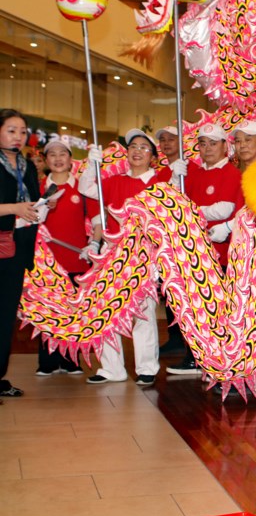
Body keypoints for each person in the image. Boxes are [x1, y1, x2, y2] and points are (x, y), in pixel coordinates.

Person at [79, 129, 165, 387]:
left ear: (152, 156)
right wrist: (92, 165)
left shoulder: (159, 184)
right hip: (112, 254)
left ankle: (147, 367)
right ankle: (112, 368)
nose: (137, 151)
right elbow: (86, 188)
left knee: (143, 313)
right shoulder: (114, 181)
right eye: (133, 147)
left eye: (144, 147)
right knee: (106, 311)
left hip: (144, 255)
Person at [166, 122, 243, 376]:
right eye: (203, 143)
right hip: (192, 250)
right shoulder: (193, 172)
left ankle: (213, 358)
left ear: (225, 146)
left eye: (213, 143)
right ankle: (196, 356)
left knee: (214, 309)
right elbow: (173, 202)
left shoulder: (231, 173)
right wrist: (174, 179)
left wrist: (192, 211)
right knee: (192, 306)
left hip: (218, 253)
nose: (207, 149)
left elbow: (226, 209)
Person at [0, 109, 47, 397]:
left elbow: (30, 200)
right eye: (11, 130)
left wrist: (41, 207)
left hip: (17, 248)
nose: (18, 136)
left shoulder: (28, 166)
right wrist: (14, 208)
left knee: (6, 316)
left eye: (22, 131)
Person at [36, 136, 90, 375]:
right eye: (52, 155)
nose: (58, 159)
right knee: (47, 310)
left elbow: (93, 220)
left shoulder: (83, 186)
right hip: (46, 262)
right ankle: (47, 362)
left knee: (73, 311)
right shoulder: (37, 187)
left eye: (63, 154)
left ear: (71, 159)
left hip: (76, 258)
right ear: (46, 160)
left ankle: (71, 361)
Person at [153, 125, 187, 356]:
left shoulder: (188, 169)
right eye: (163, 140)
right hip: (165, 242)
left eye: (171, 139)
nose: (166, 144)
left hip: (185, 241)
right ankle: (174, 337)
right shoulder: (159, 173)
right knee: (169, 293)